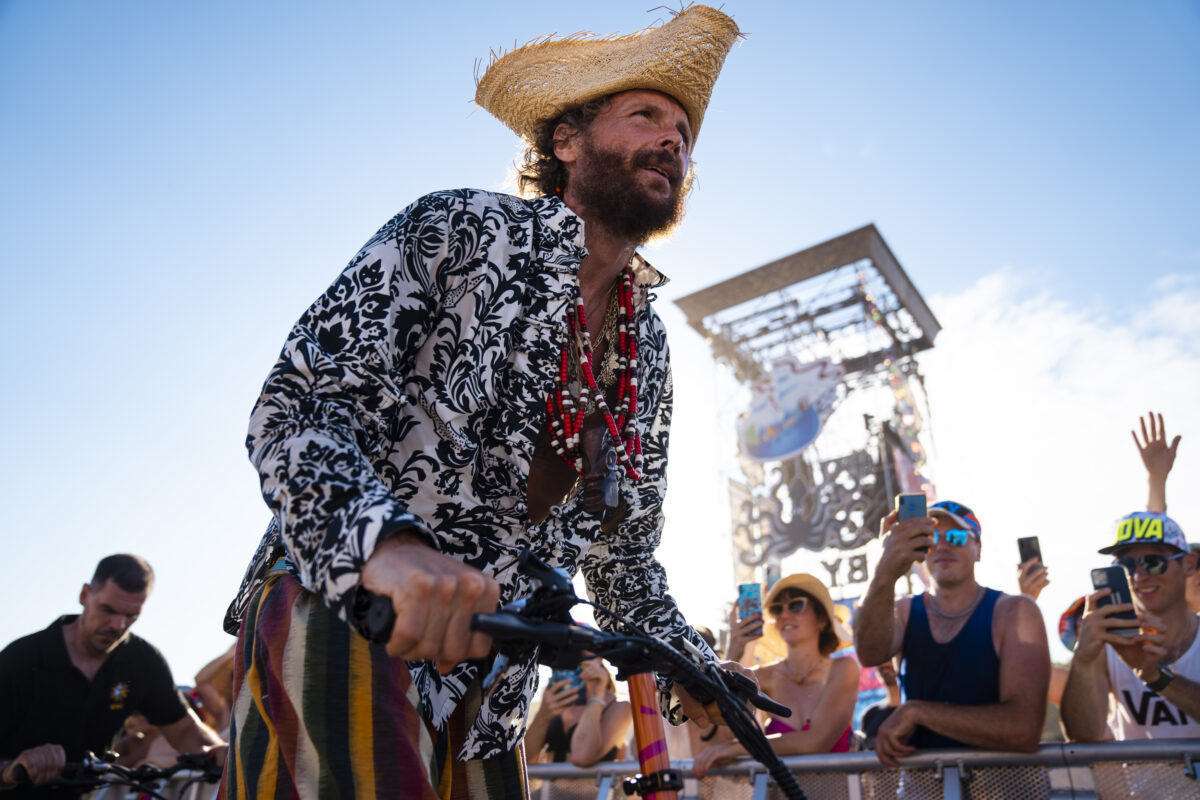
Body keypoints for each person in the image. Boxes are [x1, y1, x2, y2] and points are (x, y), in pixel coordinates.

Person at [218, 7, 743, 799]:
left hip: (492, 682)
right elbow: (299, 404)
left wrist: (697, 670)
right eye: (646, 116)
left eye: (683, 132)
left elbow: (623, 557)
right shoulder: (459, 229)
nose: (674, 140)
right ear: (566, 141)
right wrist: (388, 550)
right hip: (349, 606)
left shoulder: (649, 347)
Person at [0, 555, 225, 796]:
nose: (118, 625)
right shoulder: (23, 658)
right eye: (108, 610)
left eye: (131, 616)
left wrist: (220, 751)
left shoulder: (141, 661)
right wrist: (12, 769)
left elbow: (184, 731)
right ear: (85, 595)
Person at [854, 500, 1050, 767]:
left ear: (977, 549)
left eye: (957, 537)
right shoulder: (904, 612)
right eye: (931, 536)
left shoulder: (1014, 612)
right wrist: (884, 570)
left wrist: (917, 712)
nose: (943, 545)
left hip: (1003, 789)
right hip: (923, 791)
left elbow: (1023, 730)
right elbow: (869, 653)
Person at [691, 574, 860, 778]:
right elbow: (729, 729)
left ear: (822, 619)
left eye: (796, 606)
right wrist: (734, 652)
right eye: (778, 609)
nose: (784, 615)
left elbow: (817, 741)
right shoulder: (764, 675)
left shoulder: (844, 668)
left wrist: (734, 749)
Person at [1060, 512, 1200, 740]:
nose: (1139, 576)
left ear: (1189, 564)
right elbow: (1082, 736)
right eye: (1125, 565)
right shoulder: (1107, 644)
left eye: (1153, 562)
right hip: (1137, 778)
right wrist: (1083, 660)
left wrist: (1155, 677)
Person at [523, 658, 631, 766]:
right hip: (549, 783)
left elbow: (581, 758)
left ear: (598, 659)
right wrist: (543, 715)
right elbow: (524, 761)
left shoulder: (619, 706)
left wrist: (596, 698)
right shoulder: (557, 704)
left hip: (592, 783)